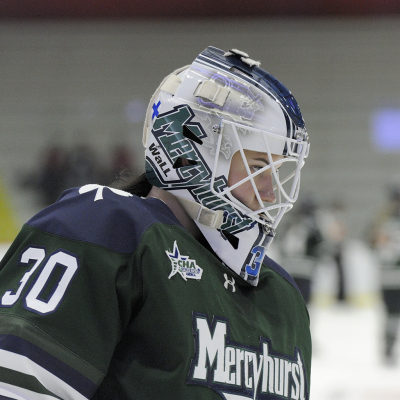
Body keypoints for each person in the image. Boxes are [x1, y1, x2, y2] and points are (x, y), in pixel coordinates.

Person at [0, 46, 311, 399]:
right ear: (195, 150)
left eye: (277, 171)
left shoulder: (281, 297)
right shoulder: (107, 231)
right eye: (258, 168)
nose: (270, 193)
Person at [369, 186, 400, 365]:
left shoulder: (382, 219)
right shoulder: (383, 219)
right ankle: (388, 347)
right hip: (393, 275)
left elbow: (372, 242)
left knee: (390, 315)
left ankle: (388, 347)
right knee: (393, 316)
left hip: (386, 276)